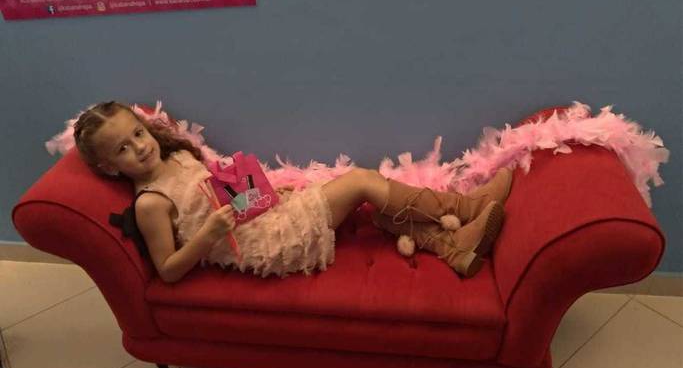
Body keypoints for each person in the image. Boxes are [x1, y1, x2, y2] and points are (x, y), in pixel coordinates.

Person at [73, 101, 512, 282]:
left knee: (365, 200)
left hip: (261, 218)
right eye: (123, 149)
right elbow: (168, 270)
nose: (139, 147)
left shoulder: (173, 157)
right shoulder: (151, 202)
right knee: (360, 181)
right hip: (265, 243)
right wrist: (207, 235)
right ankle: (465, 207)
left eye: (137, 133)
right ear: (109, 166)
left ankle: (453, 246)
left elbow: (220, 199)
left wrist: (262, 193)